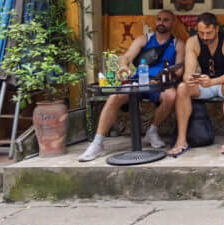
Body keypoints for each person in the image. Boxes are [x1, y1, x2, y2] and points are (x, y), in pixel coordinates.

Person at [79, 10, 184, 161]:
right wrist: (123, 67)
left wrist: (169, 75)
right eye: (159, 19)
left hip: (160, 83)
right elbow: (126, 57)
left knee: (172, 95)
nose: (161, 22)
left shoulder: (178, 43)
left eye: (166, 20)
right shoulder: (144, 39)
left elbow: (180, 70)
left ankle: (152, 130)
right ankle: (97, 143)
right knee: (115, 97)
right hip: (138, 79)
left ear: (173, 23)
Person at [168, 12, 224, 157]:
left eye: (208, 33)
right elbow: (187, 73)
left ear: (216, 29)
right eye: (201, 33)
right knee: (182, 88)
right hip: (207, 83)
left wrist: (212, 81)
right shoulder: (193, 41)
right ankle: (181, 140)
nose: (204, 37)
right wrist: (190, 79)